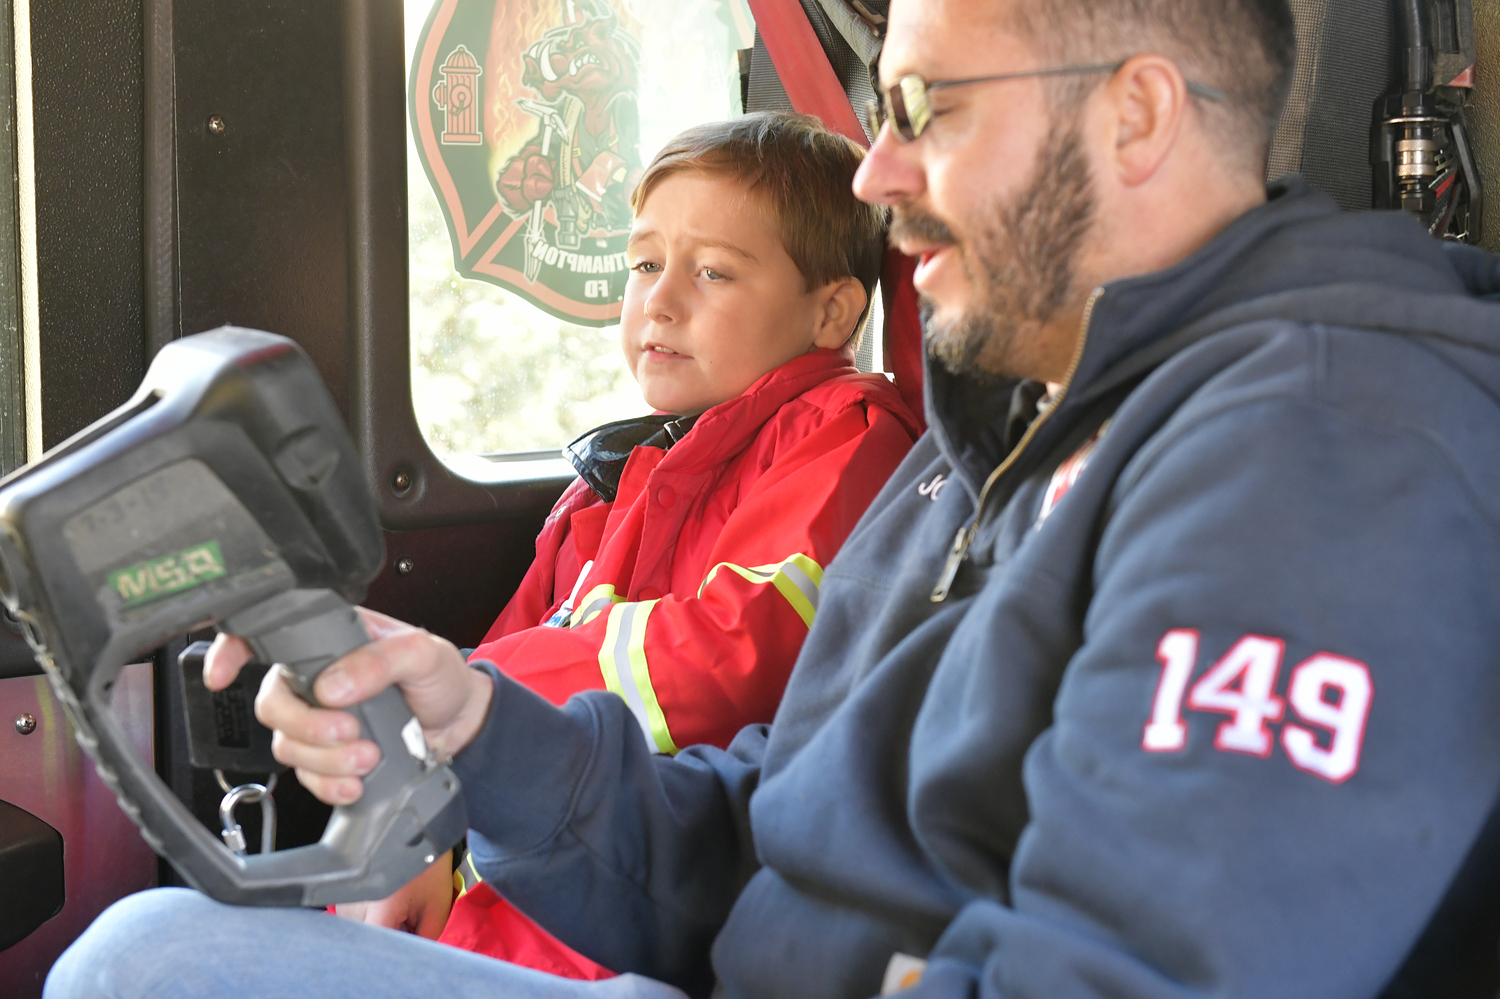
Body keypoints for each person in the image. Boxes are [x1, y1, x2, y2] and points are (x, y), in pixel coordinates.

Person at [47, 0, 1500, 995]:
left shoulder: (1321, 450)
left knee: (142, 965)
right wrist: (479, 724)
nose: (878, 168)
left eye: (928, 106)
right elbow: (773, 825)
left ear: (1135, 115)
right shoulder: (994, 438)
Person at [336, 112, 920, 964]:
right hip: (503, 875)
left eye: (713, 272)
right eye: (645, 263)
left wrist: (460, 715)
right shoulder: (606, 489)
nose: (661, 299)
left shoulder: (846, 435)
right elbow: (501, 664)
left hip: (642, 893)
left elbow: (737, 652)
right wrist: (420, 819)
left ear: (831, 312)